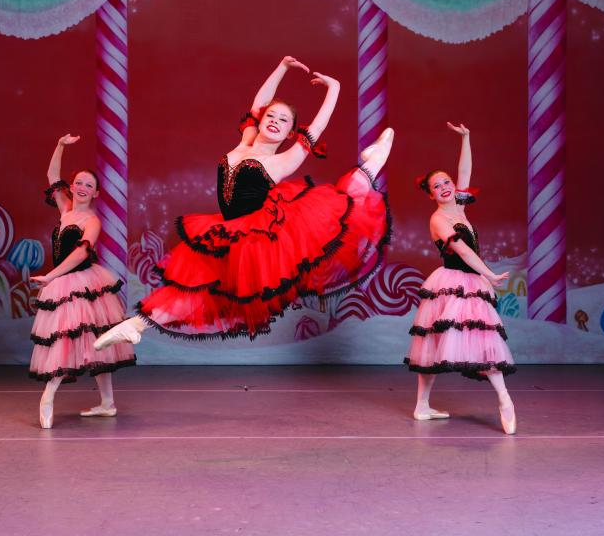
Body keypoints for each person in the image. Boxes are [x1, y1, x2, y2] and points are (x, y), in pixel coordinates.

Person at [95, 56, 392, 346]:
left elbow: (317, 128)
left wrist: (334, 87)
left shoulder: (284, 161)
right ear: (261, 122)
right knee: (195, 289)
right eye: (271, 117)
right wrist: (281, 68)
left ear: (291, 133)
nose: (274, 121)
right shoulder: (245, 142)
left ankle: (372, 165)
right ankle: (136, 325)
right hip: (224, 232)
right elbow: (259, 104)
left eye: (283, 121)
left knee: (342, 206)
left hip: (255, 240)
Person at [405, 123, 517, 434]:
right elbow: (465, 253)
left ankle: (504, 400)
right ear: (430, 194)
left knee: (483, 339)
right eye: (436, 186)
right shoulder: (439, 218)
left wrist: (467, 137)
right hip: (453, 282)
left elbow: (465, 171)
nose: (444, 186)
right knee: (436, 343)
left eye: (447, 182)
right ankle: (423, 405)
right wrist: (490, 274)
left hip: (469, 281)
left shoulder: (460, 206)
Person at [28, 135, 136, 429]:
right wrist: (60, 145)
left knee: (95, 343)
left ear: (97, 193)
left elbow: (80, 253)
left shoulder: (92, 221)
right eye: (79, 183)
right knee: (74, 341)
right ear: (71, 186)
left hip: (84, 284)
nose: (83, 188)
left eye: (90, 185)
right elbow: (52, 175)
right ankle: (105, 403)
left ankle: (52, 397)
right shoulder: (65, 209)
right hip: (66, 284)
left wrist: (51, 276)